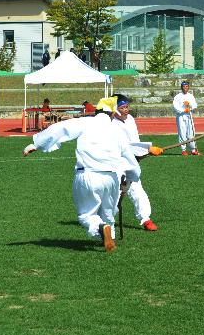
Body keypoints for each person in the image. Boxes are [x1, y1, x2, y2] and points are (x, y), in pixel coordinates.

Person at [23, 96, 159, 252]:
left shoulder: (86, 122)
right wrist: (130, 179)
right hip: (112, 178)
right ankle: (110, 237)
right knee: (108, 213)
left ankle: (100, 228)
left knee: (86, 215)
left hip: (88, 175)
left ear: (97, 111)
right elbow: (130, 161)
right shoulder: (117, 130)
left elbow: (60, 129)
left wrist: (37, 144)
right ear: (112, 114)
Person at [111, 94, 159, 231]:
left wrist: (141, 154)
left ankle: (146, 219)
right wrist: (148, 149)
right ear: (115, 109)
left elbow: (135, 140)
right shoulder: (112, 124)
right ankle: (105, 221)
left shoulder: (130, 119)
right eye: (122, 107)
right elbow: (125, 146)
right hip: (117, 164)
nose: (126, 110)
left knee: (137, 189)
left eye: (127, 107)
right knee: (115, 193)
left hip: (131, 162)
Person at [172, 80, 200, 156]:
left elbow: (195, 105)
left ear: (188, 87)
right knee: (182, 132)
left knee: (191, 133)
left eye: (187, 86)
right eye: (184, 86)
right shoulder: (177, 97)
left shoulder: (191, 96)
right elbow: (175, 107)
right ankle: (183, 150)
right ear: (181, 87)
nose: (185, 88)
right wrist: (183, 110)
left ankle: (193, 150)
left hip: (189, 116)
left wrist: (189, 105)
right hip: (181, 116)